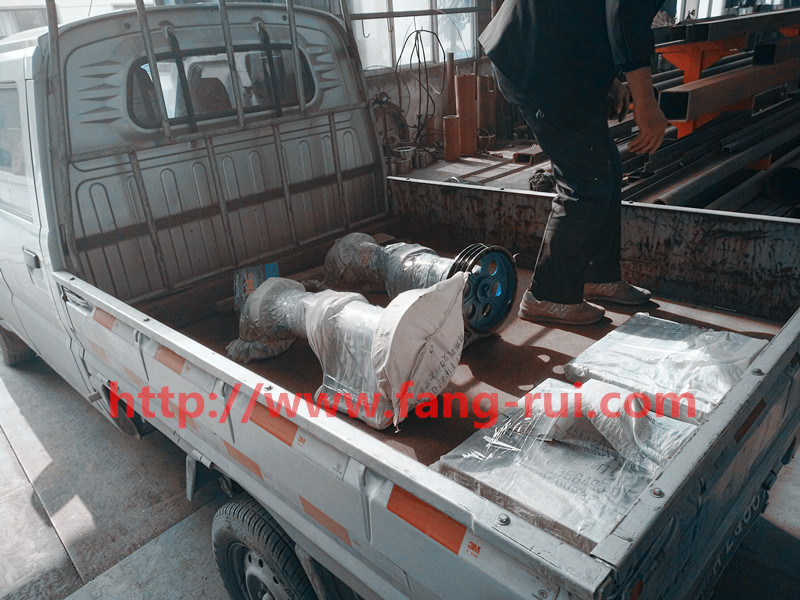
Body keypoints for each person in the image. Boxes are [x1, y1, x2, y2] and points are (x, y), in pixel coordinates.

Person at [480, 0, 669, 325]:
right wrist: (646, 102)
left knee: (607, 169)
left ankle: (598, 276)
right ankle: (547, 296)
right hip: (536, 59)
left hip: (559, 52)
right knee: (586, 181)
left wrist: (608, 76)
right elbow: (625, 17)